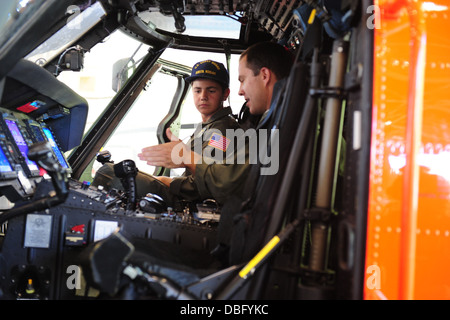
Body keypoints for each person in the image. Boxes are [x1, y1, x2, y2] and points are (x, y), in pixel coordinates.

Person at [92, 59, 244, 209]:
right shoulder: (208, 127)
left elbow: (207, 183)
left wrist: (168, 181)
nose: (203, 96)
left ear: (225, 94)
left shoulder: (223, 132)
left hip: (188, 203)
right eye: (197, 90)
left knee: (109, 173)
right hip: (184, 195)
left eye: (211, 90)